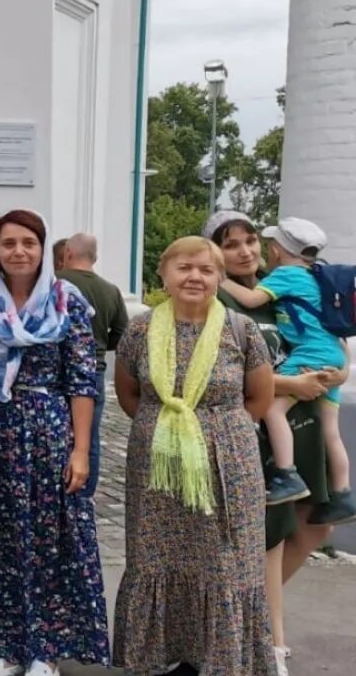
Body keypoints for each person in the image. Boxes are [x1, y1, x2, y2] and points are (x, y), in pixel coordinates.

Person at [113, 236, 275, 676]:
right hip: (156, 470)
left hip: (227, 469)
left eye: (206, 270)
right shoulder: (141, 330)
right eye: (184, 267)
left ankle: (219, 659)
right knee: (155, 558)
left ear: (220, 278)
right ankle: (159, 656)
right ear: (163, 274)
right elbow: (129, 393)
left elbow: (259, 398)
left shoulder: (241, 330)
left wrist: (219, 434)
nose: (195, 277)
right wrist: (165, 434)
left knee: (225, 561)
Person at [207, 210, 347, 676]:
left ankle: (249, 617)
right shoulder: (223, 303)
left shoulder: (283, 286)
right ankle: (273, 645)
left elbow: (334, 342)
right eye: (231, 245)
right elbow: (223, 375)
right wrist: (293, 386)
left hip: (307, 427)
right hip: (259, 435)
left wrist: (336, 374)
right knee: (273, 535)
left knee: (317, 527)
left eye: (250, 240)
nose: (245, 251)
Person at [0, 211, 109, 676]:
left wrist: (80, 451)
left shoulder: (66, 300)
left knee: (49, 541)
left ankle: (44, 651)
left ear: (44, 247)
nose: (18, 252)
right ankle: (0, 647)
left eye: (28, 242)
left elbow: (83, 381)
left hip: (49, 431)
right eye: (8, 243)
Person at [220, 217, 355, 514]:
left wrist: (220, 277)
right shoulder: (317, 276)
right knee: (331, 430)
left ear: (278, 250)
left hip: (311, 355)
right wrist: (343, 370)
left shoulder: (286, 276)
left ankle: (286, 474)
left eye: (268, 246)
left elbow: (252, 298)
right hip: (331, 353)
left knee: (272, 409)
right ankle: (343, 495)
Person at [57, 232, 129, 496]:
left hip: (56, 371)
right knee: (89, 437)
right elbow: (123, 333)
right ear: (95, 257)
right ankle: (84, 494)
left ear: (66, 254)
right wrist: (99, 345)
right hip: (95, 371)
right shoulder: (111, 290)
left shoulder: (56, 283)